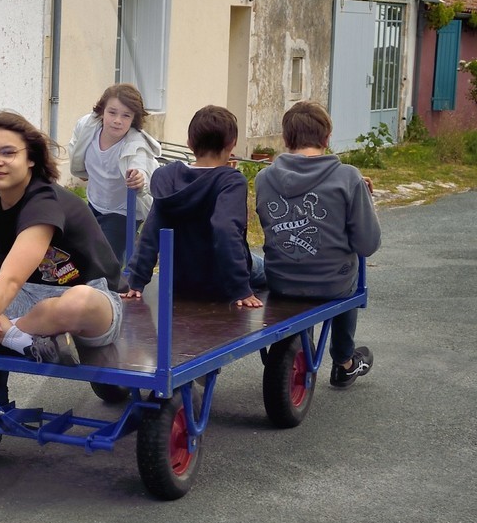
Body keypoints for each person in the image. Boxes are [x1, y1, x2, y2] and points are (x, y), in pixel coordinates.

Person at [0, 110, 124, 370]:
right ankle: (18, 339)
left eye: (8, 152)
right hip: (24, 297)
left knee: (78, 302)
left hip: (85, 298)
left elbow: (9, 279)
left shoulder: (44, 201)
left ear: (30, 157)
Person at [253, 101, 382, 387]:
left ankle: (301, 343)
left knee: (260, 260)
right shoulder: (348, 177)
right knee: (350, 272)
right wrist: (364, 198)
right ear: (326, 139)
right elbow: (367, 244)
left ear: (286, 140)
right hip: (331, 284)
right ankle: (345, 360)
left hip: (281, 280)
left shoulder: (264, 177)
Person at [123, 105, 265, 308]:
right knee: (271, 272)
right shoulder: (230, 181)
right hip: (221, 284)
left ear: (189, 143)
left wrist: (136, 280)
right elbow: (225, 230)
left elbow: (152, 230)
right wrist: (241, 289)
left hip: (180, 281)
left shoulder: (168, 178)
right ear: (232, 144)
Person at [67, 83, 161, 264]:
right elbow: (75, 145)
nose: (118, 120)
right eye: (112, 112)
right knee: (78, 253)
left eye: (126, 115)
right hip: (95, 203)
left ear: (134, 119)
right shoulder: (87, 126)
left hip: (123, 212)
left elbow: (142, 170)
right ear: (102, 111)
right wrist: (80, 169)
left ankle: (109, 289)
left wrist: (139, 180)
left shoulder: (136, 144)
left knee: (105, 262)